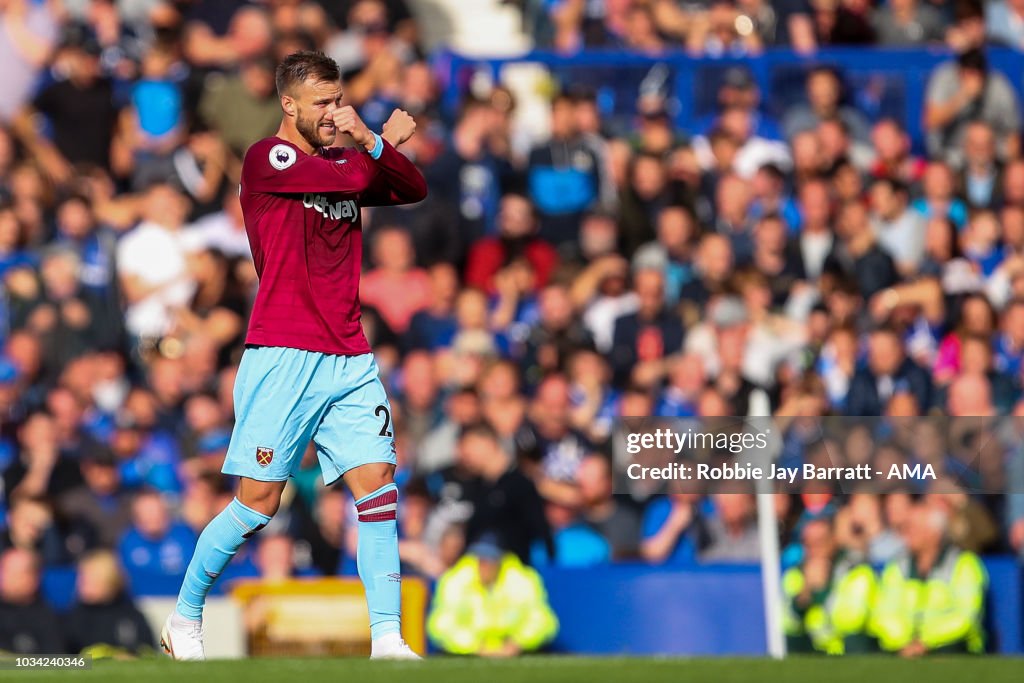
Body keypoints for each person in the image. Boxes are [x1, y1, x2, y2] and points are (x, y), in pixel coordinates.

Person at [162, 50, 426, 661]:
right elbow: (355, 180)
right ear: (289, 105)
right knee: (258, 502)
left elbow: (412, 186)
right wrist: (377, 140)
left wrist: (373, 148)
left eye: (337, 101)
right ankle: (185, 616)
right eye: (322, 104)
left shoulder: (342, 160)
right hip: (282, 351)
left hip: (350, 355)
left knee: (378, 488)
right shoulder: (269, 158)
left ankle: (387, 637)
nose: (333, 113)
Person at [869, 501, 988, 656]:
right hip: (903, 647)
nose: (906, 533)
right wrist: (905, 642)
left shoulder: (964, 564)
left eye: (913, 528)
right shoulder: (897, 567)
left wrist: (926, 641)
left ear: (934, 533)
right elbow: (883, 612)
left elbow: (966, 617)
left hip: (950, 647)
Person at [426, 534, 559, 656]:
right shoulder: (454, 580)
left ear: (500, 559)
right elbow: (440, 625)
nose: (484, 565)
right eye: (480, 559)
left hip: (516, 653)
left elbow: (543, 621)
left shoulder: (523, 580)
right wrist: (476, 647)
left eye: (490, 559)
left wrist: (516, 644)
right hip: (466, 654)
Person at [781, 517, 877, 654]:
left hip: (844, 651)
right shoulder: (794, 575)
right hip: (809, 649)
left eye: (820, 542)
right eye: (808, 543)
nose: (814, 549)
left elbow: (850, 622)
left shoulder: (855, 571)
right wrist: (805, 594)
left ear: (833, 540)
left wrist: (823, 591)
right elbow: (787, 624)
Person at [65, 550, 156, 656]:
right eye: (81, 578)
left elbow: (147, 651)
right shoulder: (73, 618)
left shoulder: (130, 615)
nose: (80, 584)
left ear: (109, 581)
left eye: (88, 579)